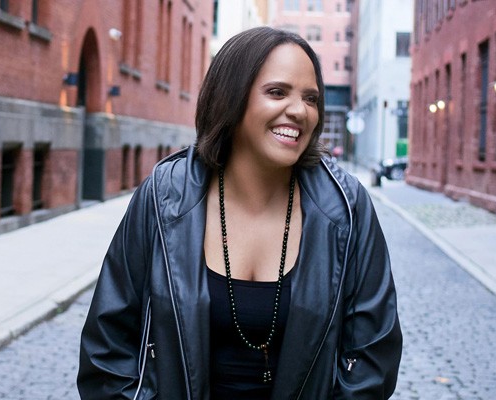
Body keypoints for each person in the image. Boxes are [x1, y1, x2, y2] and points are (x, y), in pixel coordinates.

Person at [77, 27, 402, 399]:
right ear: (232, 97)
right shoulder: (165, 196)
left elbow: (373, 357)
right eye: (277, 92)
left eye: (311, 98)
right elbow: (106, 348)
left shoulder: (346, 207)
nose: (299, 111)